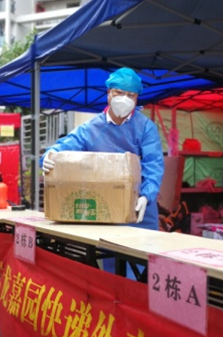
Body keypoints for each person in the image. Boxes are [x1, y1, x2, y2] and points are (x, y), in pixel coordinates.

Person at [40, 67, 164, 231]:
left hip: (138, 205)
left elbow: (153, 164)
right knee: (106, 246)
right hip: (103, 205)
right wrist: (49, 155)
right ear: (108, 93)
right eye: (119, 93)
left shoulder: (145, 127)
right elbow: (67, 145)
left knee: (142, 246)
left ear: (136, 98)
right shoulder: (91, 128)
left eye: (131, 95)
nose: (124, 99)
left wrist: (146, 195)